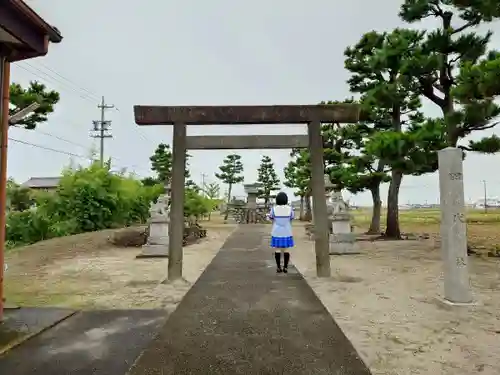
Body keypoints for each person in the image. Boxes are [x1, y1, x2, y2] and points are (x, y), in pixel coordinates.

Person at [269, 191, 294, 273]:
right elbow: (291, 218)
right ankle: (286, 267)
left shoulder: (274, 209)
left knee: (277, 249)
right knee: (286, 249)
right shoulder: (290, 209)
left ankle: (278, 267)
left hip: (276, 231)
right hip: (287, 231)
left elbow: (271, 218)